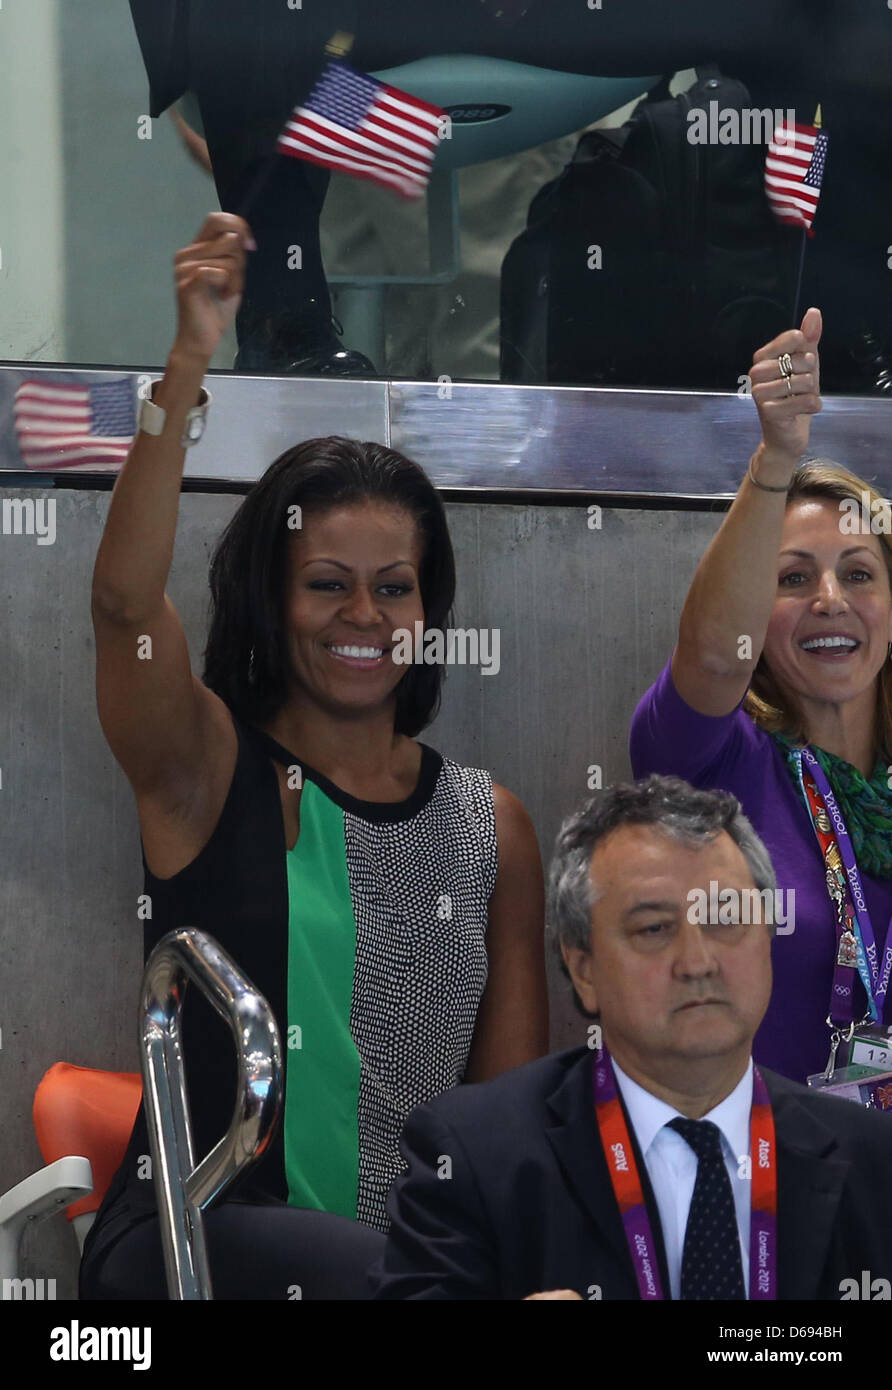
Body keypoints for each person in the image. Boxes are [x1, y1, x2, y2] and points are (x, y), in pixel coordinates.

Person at [79, 211, 547, 1299]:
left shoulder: (493, 828)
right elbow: (119, 605)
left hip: (409, 1273)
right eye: (327, 582)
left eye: (395, 586)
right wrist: (187, 368)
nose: (365, 614)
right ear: (270, 598)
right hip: (190, 1241)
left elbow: (507, 1117)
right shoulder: (206, 768)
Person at [372, 776, 892, 1301]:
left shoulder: (874, 1160)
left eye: (726, 918)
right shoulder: (475, 1157)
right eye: (653, 929)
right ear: (584, 971)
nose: (698, 963)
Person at [630, 307, 892, 1085]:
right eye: (791, 578)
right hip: (769, 1178)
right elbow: (714, 655)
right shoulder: (711, 757)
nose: (829, 599)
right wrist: (775, 460)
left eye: (858, 572)